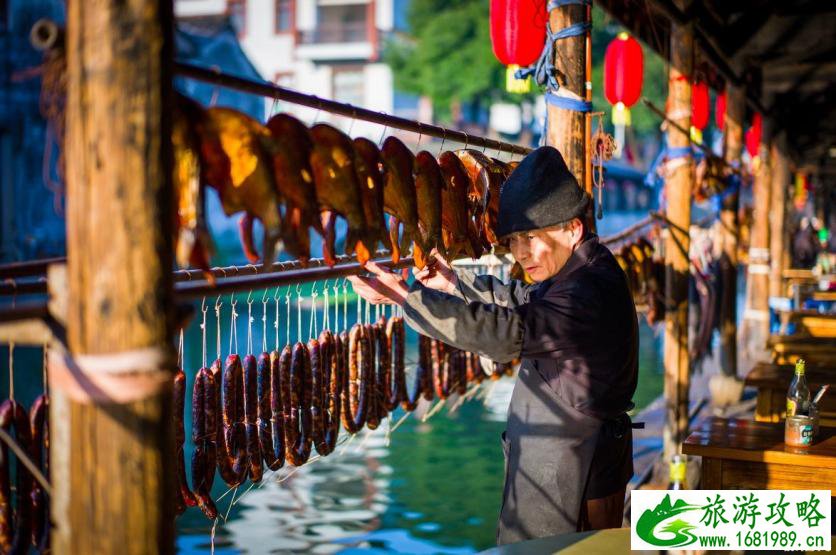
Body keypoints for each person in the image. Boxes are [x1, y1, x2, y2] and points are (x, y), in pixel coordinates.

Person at [348, 146, 638, 544]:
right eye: (514, 240)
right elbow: (524, 302)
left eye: (531, 238)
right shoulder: (583, 270)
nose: (520, 253)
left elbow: (506, 332)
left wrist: (405, 299)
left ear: (572, 229)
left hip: (567, 473)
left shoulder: (587, 292)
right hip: (567, 460)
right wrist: (453, 283)